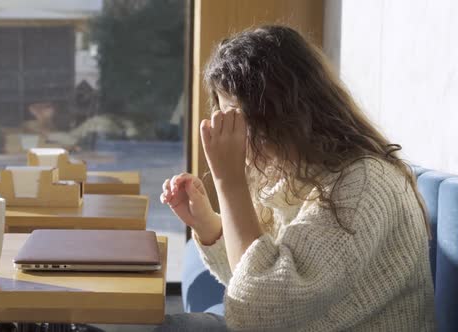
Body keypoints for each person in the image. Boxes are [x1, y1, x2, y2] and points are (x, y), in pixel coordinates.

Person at [158, 25, 435, 331]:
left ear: (281, 111)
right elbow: (256, 275)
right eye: (222, 114)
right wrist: (208, 223)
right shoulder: (291, 173)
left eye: (234, 115)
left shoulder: (362, 183)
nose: (225, 129)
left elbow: (258, 309)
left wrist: (229, 181)